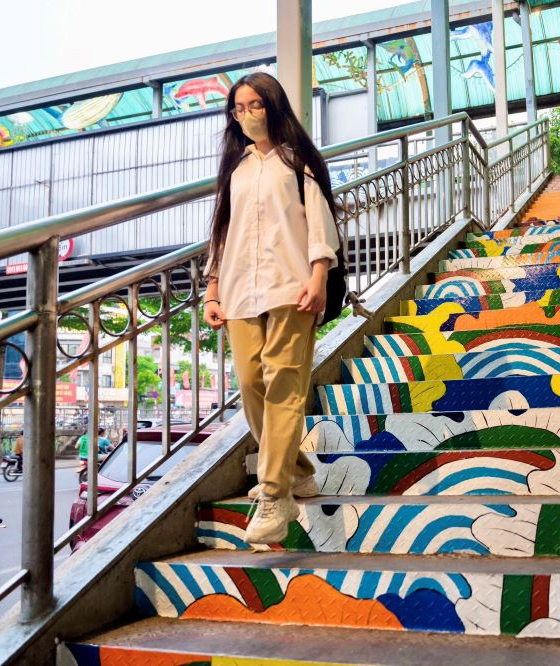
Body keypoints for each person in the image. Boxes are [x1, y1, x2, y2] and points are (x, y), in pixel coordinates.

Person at [202, 72, 339, 545]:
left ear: (273, 106)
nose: (245, 115)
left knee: (283, 380)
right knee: (250, 382)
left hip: (292, 286)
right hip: (240, 290)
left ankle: (274, 493)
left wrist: (319, 276)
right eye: (237, 108)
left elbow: (320, 224)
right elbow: (222, 230)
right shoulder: (234, 169)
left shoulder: (297, 161)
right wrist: (213, 289)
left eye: (254, 105)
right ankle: (298, 468)